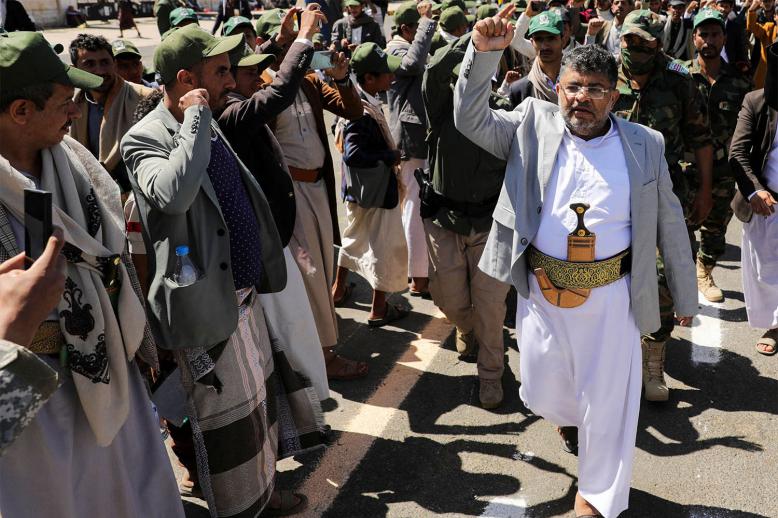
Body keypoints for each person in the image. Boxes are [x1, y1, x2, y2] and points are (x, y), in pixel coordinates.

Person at [453, 12, 696, 516]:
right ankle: (571, 418)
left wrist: (686, 296)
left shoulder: (644, 145)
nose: (580, 97)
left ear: (614, 97)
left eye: (594, 89)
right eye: (572, 86)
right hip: (542, 293)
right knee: (541, 389)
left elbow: (671, 223)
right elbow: (469, 119)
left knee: (608, 402)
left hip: (613, 299)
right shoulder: (530, 126)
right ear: (558, 88)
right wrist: (483, 55)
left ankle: (597, 496)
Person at [120, 24, 324, 516]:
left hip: (244, 297)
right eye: (222, 70)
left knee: (257, 407)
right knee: (225, 423)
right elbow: (173, 194)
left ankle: (263, 493)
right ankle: (238, 509)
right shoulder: (144, 138)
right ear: (187, 77)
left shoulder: (209, 115)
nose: (232, 77)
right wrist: (193, 120)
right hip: (205, 306)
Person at [0, 31, 184, 518]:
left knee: (130, 491)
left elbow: (113, 261)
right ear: (21, 111)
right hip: (33, 405)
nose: (76, 112)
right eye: (63, 102)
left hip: (108, 376)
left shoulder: (75, 161)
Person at [216, 5, 332, 399]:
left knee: (292, 329)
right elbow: (279, 91)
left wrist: (281, 40)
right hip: (264, 247)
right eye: (248, 71)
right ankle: (307, 409)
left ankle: (303, 410)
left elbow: (258, 72)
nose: (258, 76)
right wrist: (303, 37)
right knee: (291, 332)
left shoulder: (235, 98)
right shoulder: (231, 113)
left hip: (273, 238)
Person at [256, 8, 368, 380]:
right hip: (290, 196)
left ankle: (318, 349)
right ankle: (324, 355)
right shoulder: (262, 86)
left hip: (319, 189)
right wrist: (283, 40)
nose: (302, 47)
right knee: (311, 273)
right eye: (289, 40)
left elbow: (352, 111)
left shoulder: (306, 81)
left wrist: (343, 77)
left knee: (322, 270)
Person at [612, 9, 713, 402]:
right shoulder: (604, 77)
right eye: (628, 40)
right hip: (612, 197)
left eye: (644, 42)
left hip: (664, 197)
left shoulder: (679, 82)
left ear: (657, 43)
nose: (634, 49)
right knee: (612, 277)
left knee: (662, 278)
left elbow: (701, 139)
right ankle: (618, 354)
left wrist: (705, 191)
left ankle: (654, 358)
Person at [422, 29, 512, 408]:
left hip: (490, 223)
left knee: (491, 306)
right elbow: (431, 72)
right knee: (451, 300)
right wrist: (470, 42)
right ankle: (465, 326)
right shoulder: (443, 107)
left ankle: (491, 374)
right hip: (445, 218)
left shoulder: (504, 112)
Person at [332, 42, 410, 328]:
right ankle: (379, 309)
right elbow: (353, 153)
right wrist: (389, 155)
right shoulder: (361, 111)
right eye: (384, 74)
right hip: (377, 191)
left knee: (353, 239)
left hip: (358, 190)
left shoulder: (352, 98)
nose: (391, 78)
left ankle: (338, 290)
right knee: (385, 249)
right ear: (368, 79)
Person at [685, 8, 752, 302]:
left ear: (724, 37)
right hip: (686, 167)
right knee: (680, 226)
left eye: (714, 34)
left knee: (715, 227)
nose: (708, 40)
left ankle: (704, 270)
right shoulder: (680, 77)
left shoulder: (739, 83)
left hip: (723, 168)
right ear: (694, 38)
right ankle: (679, 276)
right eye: (703, 34)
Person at [730, 42, 778, 356]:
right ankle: (774, 322)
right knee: (767, 273)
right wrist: (754, 190)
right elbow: (738, 154)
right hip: (767, 204)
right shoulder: (756, 102)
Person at [386, 0, 437, 298]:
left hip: (415, 137)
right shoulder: (395, 48)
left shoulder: (405, 44)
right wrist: (426, 23)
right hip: (410, 139)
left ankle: (416, 272)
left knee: (415, 206)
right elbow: (413, 64)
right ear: (407, 28)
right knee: (415, 208)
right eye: (416, 27)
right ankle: (417, 277)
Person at [68, 34, 153, 195]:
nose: (100, 71)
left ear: (114, 63)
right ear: (75, 69)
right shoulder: (74, 107)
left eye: (105, 62)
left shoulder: (146, 98)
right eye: (90, 64)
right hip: (96, 198)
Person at [508, 10, 565, 107]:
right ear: (532, 42)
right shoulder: (520, 90)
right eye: (539, 39)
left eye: (551, 38)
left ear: (563, 40)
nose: (544, 46)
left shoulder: (579, 82)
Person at [746, 0, 778, 88]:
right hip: (765, 73)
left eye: (769, 1)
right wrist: (752, 10)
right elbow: (752, 28)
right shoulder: (769, 28)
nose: (767, 3)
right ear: (775, 17)